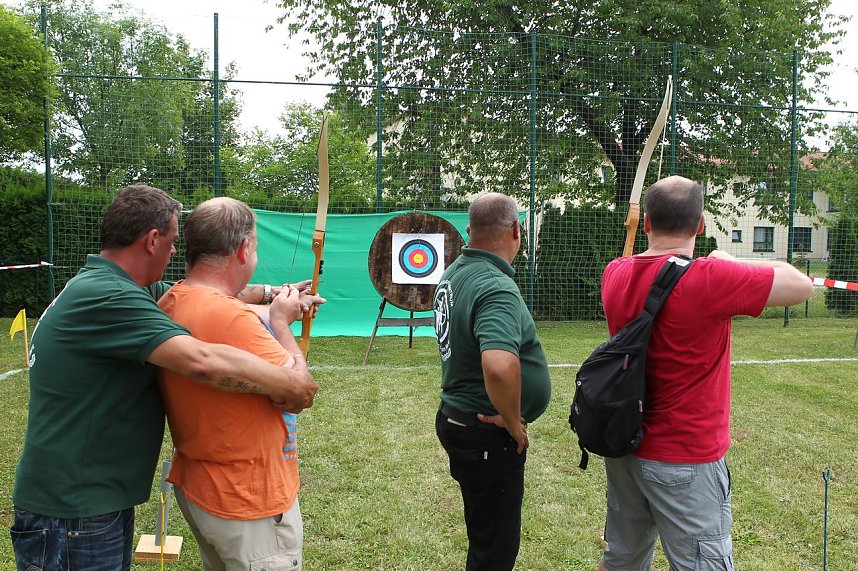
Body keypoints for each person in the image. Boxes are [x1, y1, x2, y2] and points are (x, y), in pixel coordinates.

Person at [10, 184, 318, 571]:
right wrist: (290, 382)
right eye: (173, 243)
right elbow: (201, 361)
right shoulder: (110, 297)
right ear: (152, 240)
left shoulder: (115, 287)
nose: (176, 253)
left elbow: (205, 293)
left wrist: (277, 294)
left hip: (83, 502)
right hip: (73, 511)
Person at [597, 175, 814, 571]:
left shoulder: (614, 273)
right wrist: (727, 259)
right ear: (700, 225)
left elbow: (643, 269)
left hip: (625, 447)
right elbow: (800, 284)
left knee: (622, 560)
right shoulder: (710, 278)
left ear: (645, 222)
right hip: (685, 458)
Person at [157, 197, 323, 570]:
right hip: (249, 501)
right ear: (243, 248)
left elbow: (225, 303)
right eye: (256, 245)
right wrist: (280, 323)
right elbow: (301, 390)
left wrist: (275, 300)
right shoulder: (230, 318)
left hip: (205, 489)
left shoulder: (174, 298)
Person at [432, 192, 552, 571]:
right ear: (517, 229)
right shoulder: (495, 285)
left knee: (485, 535)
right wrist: (514, 423)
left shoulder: (454, 272)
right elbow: (499, 366)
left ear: (470, 231)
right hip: (486, 433)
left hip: (459, 420)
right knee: (494, 553)